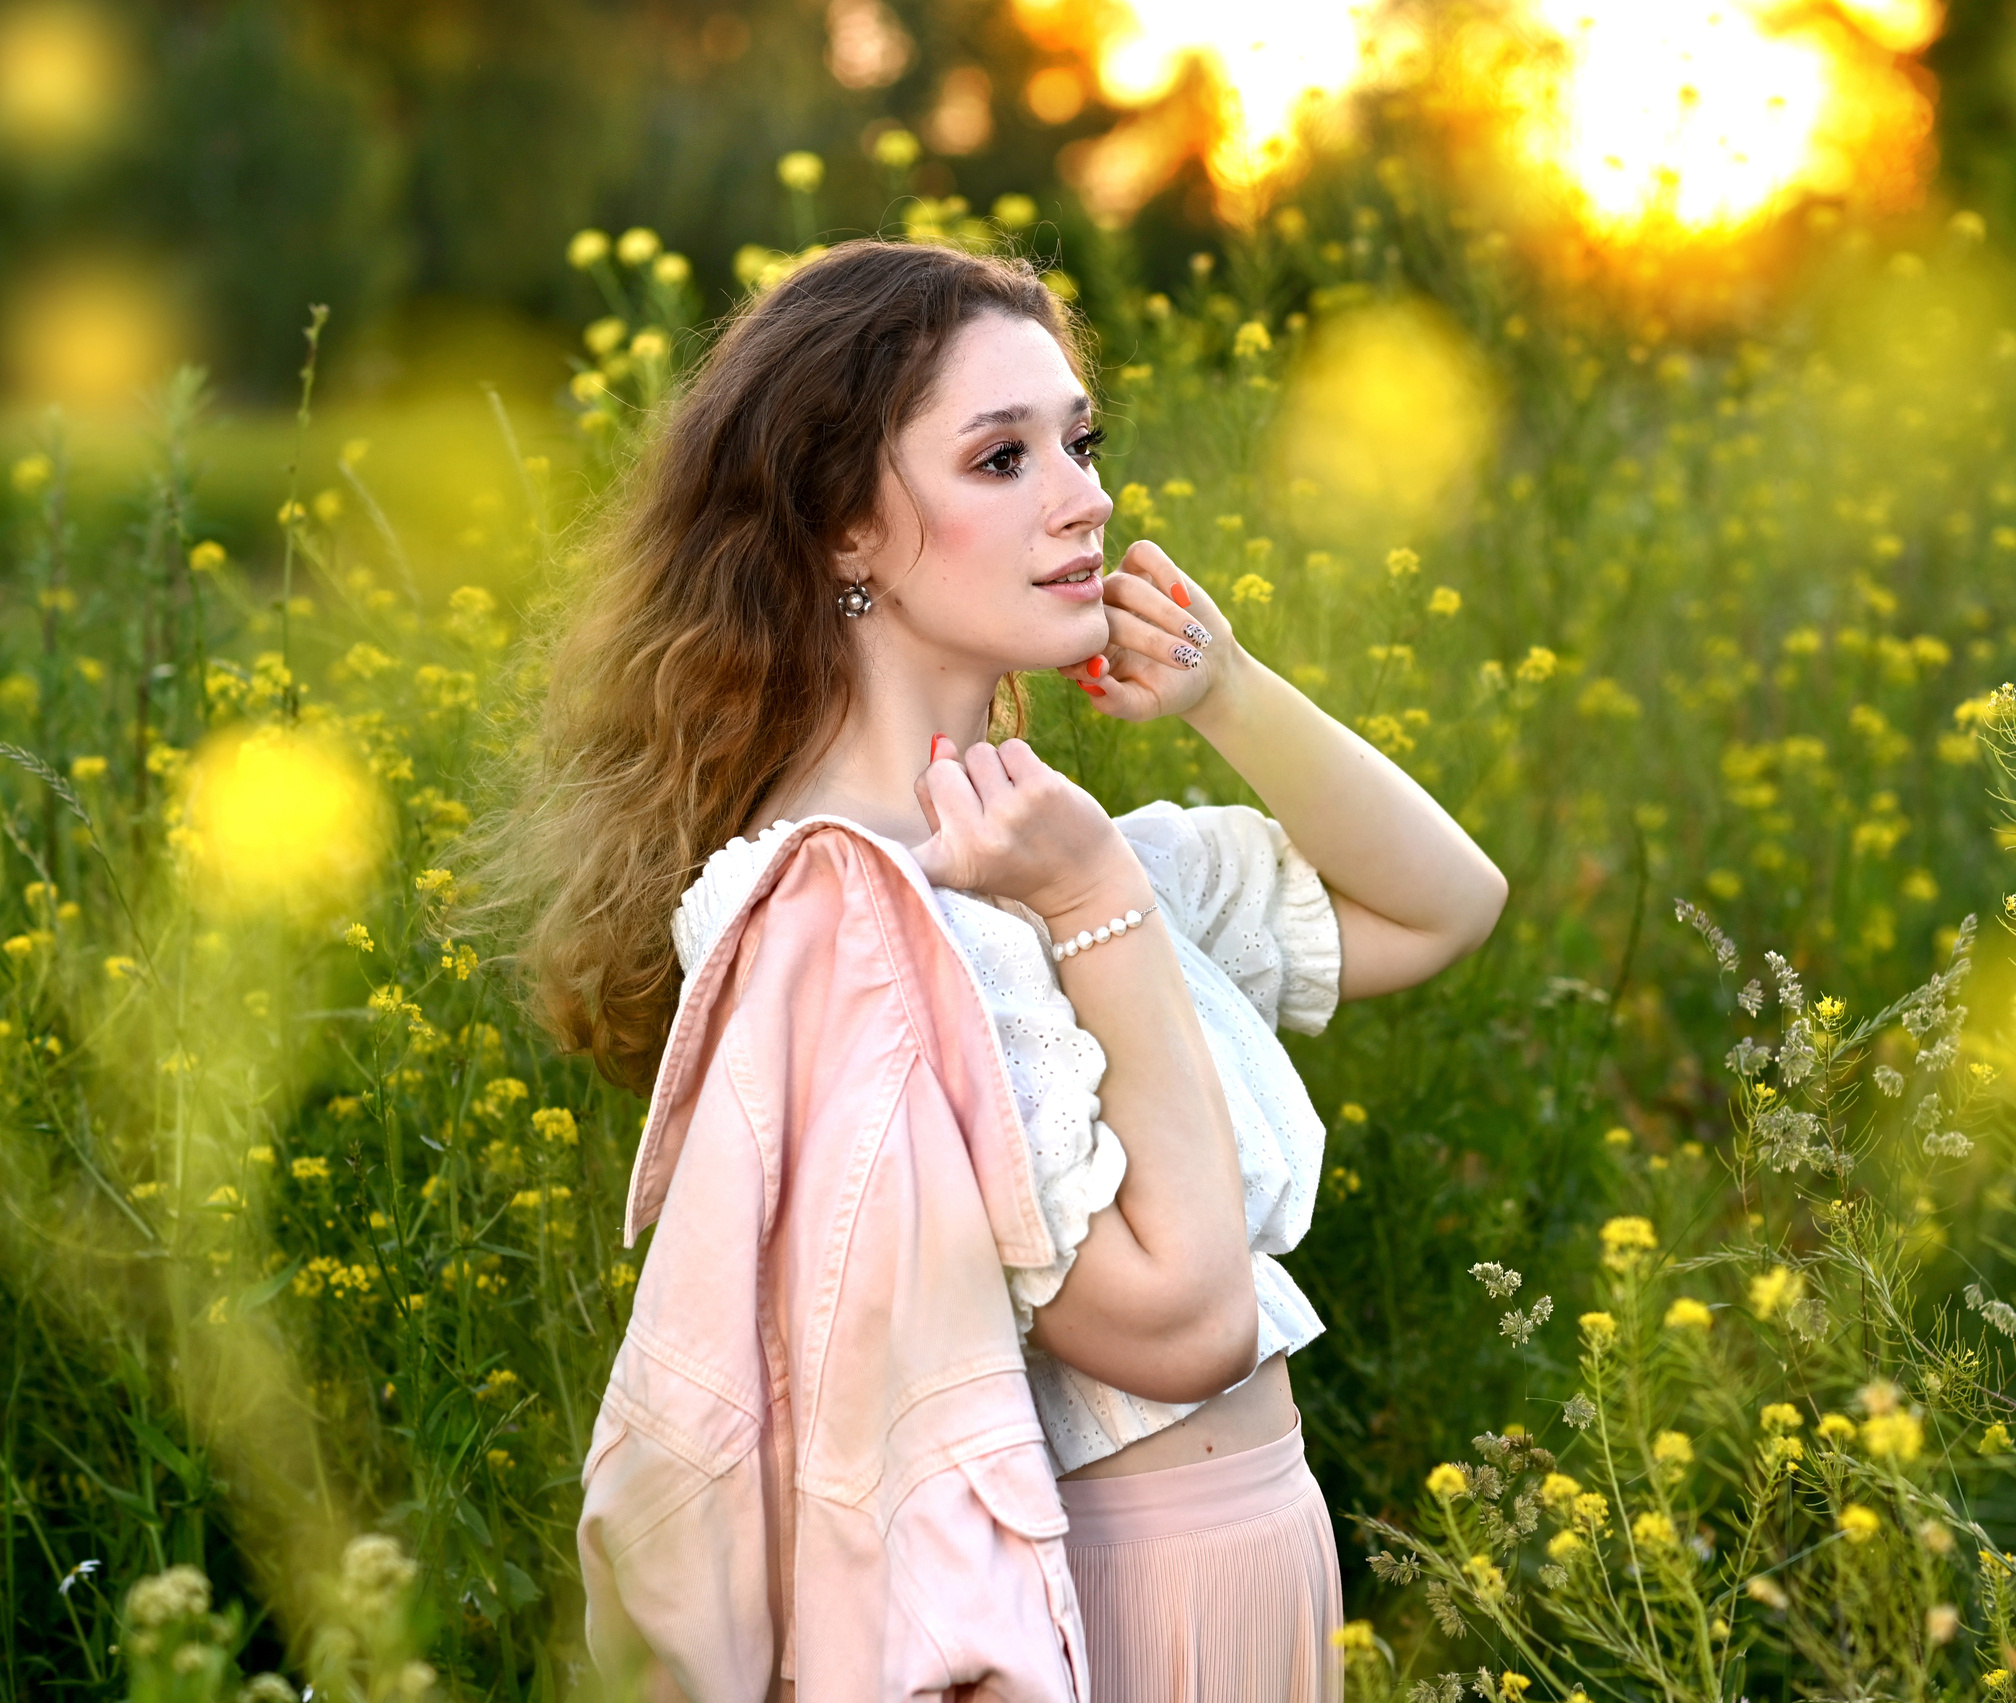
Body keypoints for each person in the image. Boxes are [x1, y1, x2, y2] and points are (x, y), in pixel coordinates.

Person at [503, 239, 1506, 1700]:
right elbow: (1178, 1328)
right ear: (846, 530)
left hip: (1255, 1577)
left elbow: (1444, 906)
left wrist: (1227, 692)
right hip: (1105, 1609)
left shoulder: (1032, 845)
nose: (1083, 495)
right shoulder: (843, 911)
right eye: (1001, 458)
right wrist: (1097, 907)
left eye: (1081, 442)